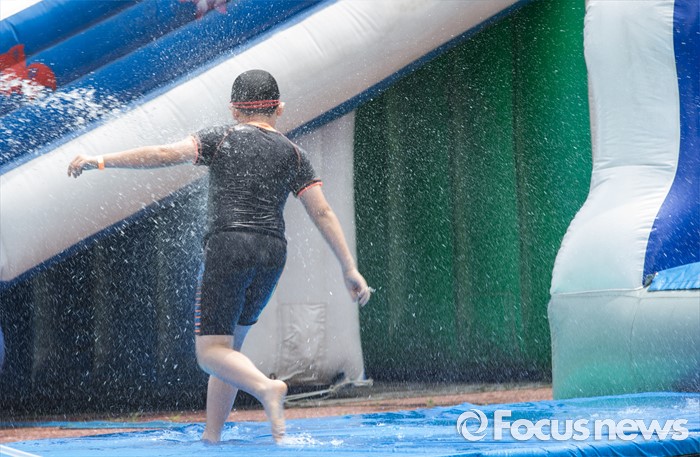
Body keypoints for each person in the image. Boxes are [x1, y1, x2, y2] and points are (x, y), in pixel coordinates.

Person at [67, 69, 372, 443]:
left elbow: (163, 154)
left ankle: (266, 388)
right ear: (279, 109)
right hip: (272, 254)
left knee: (209, 353)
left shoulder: (221, 137)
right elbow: (321, 211)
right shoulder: (295, 154)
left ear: (234, 110)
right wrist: (349, 268)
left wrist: (99, 160)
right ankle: (212, 437)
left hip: (229, 247)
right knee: (229, 352)